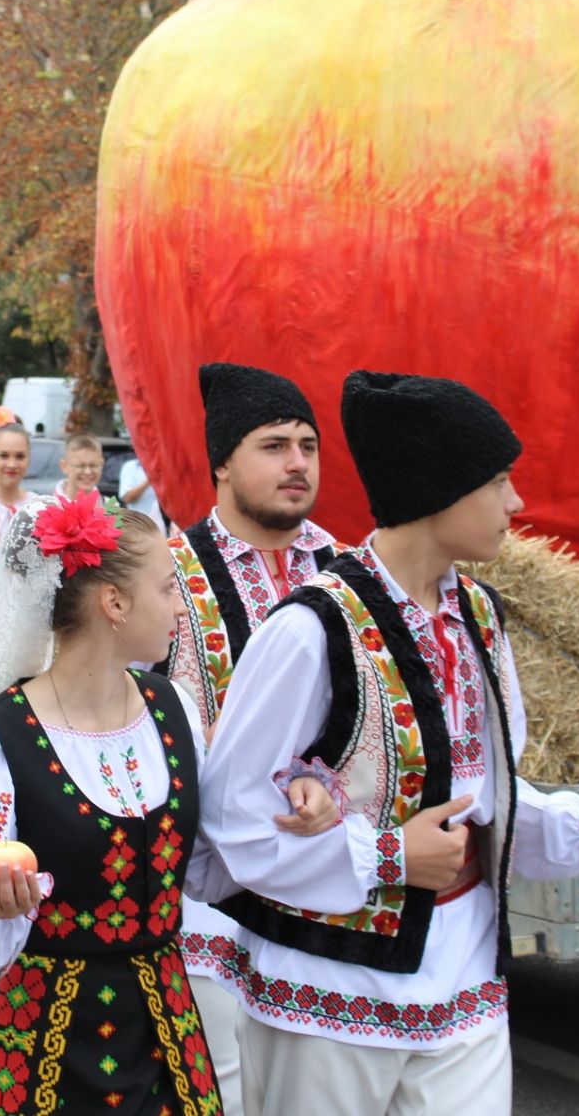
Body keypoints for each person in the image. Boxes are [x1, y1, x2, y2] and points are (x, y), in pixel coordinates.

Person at [199, 371, 579, 1115]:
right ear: (437, 488)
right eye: (500, 480)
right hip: (331, 987)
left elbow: (480, 794)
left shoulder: (477, 615)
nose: (516, 503)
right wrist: (390, 855)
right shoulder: (310, 630)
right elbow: (234, 814)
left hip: (465, 979)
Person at [0, 493, 338, 1114]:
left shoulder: (174, 707)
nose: (182, 604)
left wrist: (298, 801)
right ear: (113, 603)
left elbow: (205, 864)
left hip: (165, 1026)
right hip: (38, 1045)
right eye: (169, 587)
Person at [151, 361, 339, 1113]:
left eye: (308, 445)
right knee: (216, 1092)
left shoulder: (346, 572)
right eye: (274, 445)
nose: (297, 463)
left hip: (321, 886)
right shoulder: (164, 576)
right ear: (223, 461)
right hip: (200, 888)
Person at [118, 451, 162, 531]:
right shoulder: (130, 467)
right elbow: (127, 497)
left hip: (160, 528)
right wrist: (149, 479)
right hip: (138, 528)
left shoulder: (161, 467)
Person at [55, 433, 103, 499]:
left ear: (102, 464)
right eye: (80, 466)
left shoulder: (111, 507)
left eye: (93, 465)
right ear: (64, 466)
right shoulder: (46, 506)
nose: (88, 472)